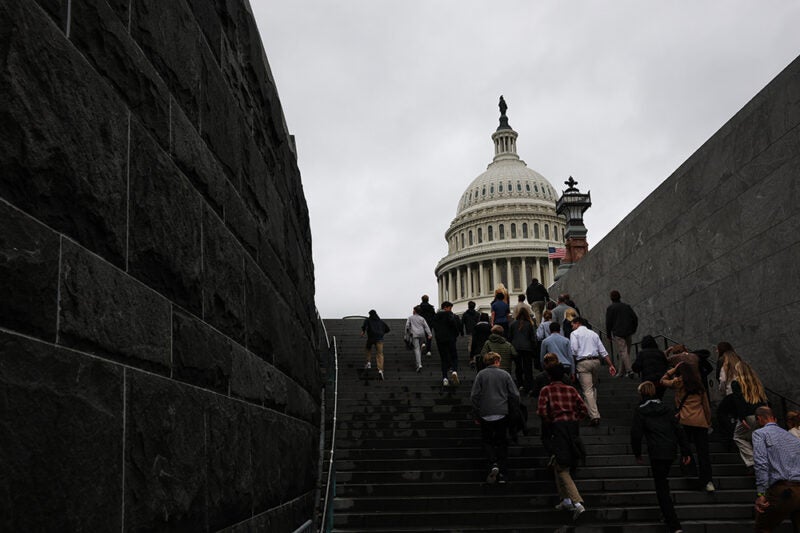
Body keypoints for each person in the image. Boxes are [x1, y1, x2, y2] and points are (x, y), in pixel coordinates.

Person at [631, 381, 692, 533]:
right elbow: (678, 430)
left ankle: (674, 523)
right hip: (670, 450)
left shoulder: (640, 411)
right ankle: (666, 513)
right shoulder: (666, 408)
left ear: (642, 393)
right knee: (663, 482)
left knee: (661, 487)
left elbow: (636, 434)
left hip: (656, 451)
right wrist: (686, 451)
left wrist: (637, 453)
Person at [537, 363, 588, 520]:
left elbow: (541, 411)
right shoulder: (571, 389)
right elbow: (583, 409)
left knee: (561, 468)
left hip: (557, 427)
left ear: (550, 376)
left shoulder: (546, 390)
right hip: (572, 428)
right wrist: (574, 419)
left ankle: (577, 502)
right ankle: (565, 499)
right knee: (559, 463)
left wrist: (550, 422)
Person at [660, 359, 715, 492]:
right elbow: (706, 406)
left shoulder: (678, 382)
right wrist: (708, 422)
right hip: (700, 421)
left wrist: (673, 369)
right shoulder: (699, 385)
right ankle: (707, 481)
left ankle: (690, 472)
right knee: (703, 453)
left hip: (684, 420)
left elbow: (662, 381)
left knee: (686, 449)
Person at [471, 352, 520, 484]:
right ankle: (503, 473)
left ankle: (493, 463)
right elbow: (515, 394)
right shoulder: (505, 374)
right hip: (502, 412)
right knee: (502, 442)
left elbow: (474, 396)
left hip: (485, 412)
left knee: (487, 441)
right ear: (497, 361)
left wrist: (476, 413)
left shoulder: (481, 375)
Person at [752, 406, 800, 532]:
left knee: (763, 528)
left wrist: (761, 493)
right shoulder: (792, 437)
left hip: (783, 489)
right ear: (774, 418)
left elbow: (761, 463)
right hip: (799, 487)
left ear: (759, 419)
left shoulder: (760, 434)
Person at [570, 316, 617, 426]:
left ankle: (594, 416)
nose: (572, 327)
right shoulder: (594, 334)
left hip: (583, 363)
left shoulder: (574, 334)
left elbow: (574, 350)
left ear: (577, 323)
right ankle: (589, 409)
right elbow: (603, 351)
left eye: (572, 324)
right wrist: (611, 365)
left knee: (587, 390)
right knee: (592, 387)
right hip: (596, 362)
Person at [730, 361, 768, 470]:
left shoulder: (736, 383)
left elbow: (739, 402)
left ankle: (752, 461)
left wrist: (742, 418)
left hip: (749, 415)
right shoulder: (756, 382)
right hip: (761, 414)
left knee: (738, 436)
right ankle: (763, 461)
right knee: (756, 438)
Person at [605, 290, 639, 378]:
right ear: (620, 297)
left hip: (618, 332)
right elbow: (635, 318)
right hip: (628, 331)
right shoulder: (626, 306)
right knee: (625, 352)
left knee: (623, 352)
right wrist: (633, 329)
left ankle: (629, 370)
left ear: (611, 298)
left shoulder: (611, 308)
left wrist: (608, 334)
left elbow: (608, 322)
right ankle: (621, 372)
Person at [433, 301, 461, 386]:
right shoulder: (451, 315)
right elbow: (456, 326)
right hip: (450, 339)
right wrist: (455, 335)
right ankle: (454, 371)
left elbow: (434, 327)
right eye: (450, 308)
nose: (450, 309)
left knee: (444, 359)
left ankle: (445, 378)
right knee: (454, 356)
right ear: (445, 307)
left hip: (441, 340)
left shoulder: (436, 316)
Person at [509, 306, 536, 391]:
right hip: (527, 348)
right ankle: (529, 384)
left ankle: (520, 384)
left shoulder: (513, 324)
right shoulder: (529, 324)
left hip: (516, 347)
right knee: (528, 367)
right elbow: (532, 337)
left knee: (518, 367)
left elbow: (510, 337)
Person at [361, 310, 390, 380]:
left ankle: (368, 362)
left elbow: (364, 326)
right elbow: (388, 329)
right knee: (380, 354)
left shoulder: (368, 320)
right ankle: (380, 369)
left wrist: (363, 332)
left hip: (371, 338)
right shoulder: (381, 321)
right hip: (379, 338)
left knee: (368, 349)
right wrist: (382, 333)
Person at [405, 306, 431, 373]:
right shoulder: (422, 318)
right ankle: (419, 360)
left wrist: (406, 335)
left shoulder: (410, 318)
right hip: (422, 334)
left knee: (416, 349)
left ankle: (419, 364)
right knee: (418, 349)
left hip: (414, 334)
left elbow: (407, 326)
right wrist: (429, 334)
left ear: (414, 311)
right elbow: (426, 326)